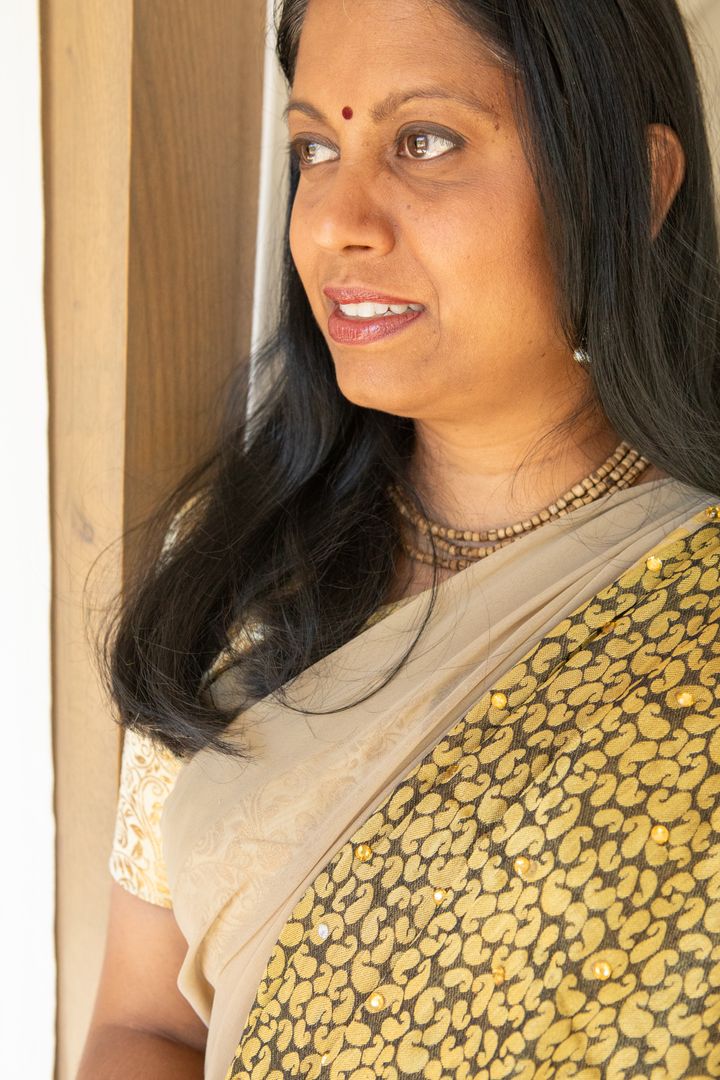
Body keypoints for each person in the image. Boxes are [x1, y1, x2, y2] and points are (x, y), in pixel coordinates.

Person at [77, 0, 720, 1077]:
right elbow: (148, 1022)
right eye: (315, 148)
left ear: (635, 183)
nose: (334, 220)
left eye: (425, 142)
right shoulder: (240, 568)